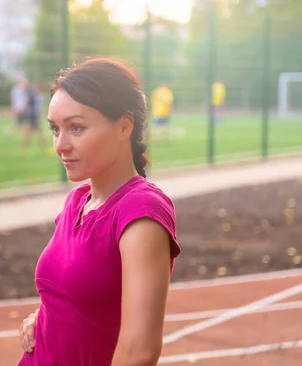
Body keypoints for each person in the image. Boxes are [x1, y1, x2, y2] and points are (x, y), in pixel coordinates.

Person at [17, 58, 181, 365]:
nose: (60, 145)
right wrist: (43, 316)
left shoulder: (140, 211)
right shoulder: (77, 202)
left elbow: (139, 352)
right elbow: (86, 295)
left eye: (76, 128)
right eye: (55, 129)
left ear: (124, 126)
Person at [22, 81, 47, 150]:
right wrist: (25, 110)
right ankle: (44, 147)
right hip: (33, 115)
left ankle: (25, 147)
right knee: (38, 131)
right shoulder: (33, 93)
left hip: (33, 115)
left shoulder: (36, 93)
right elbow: (28, 102)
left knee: (31, 132)